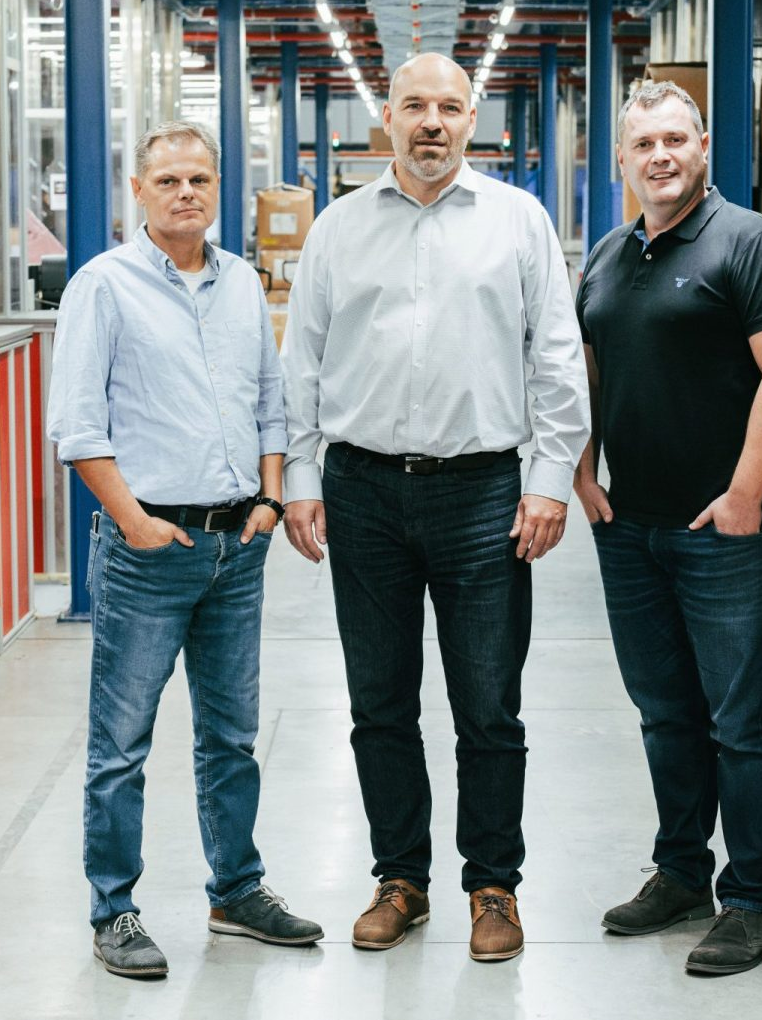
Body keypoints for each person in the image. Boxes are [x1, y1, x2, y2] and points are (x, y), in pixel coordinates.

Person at [281, 53, 589, 963]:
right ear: (387, 117)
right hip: (363, 488)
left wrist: (549, 476)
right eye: (414, 105)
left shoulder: (517, 221)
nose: (431, 123)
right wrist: (301, 480)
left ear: (472, 118)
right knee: (380, 700)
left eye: (449, 108)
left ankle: (493, 886)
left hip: (483, 491)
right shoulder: (338, 229)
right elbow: (302, 364)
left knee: (488, 703)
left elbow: (556, 356)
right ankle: (400, 880)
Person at [47, 120, 322, 980]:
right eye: (168, 181)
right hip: (149, 548)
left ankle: (236, 889)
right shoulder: (105, 286)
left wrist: (273, 498)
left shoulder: (242, 283)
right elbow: (77, 426)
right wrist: (131, 520)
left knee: (231, 736)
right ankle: (114, 908)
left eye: (200, 180)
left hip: (237, 544)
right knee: (121, 741)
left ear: (217, 188)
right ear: (139, 191)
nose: (186, 194)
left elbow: (272, 402)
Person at [573, 81, 762, 976]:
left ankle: (751, 898)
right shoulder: (606, 256)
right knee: (665, 710)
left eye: (677, 139)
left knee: (744, 718)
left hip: (733, 528)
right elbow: (590, 374)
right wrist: (578, 468)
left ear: (704, 147)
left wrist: (748, 492)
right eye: (644, 144)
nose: (661, 156)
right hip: (633, 526)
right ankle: (682, 870)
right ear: (624, 157)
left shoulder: (752, 244)